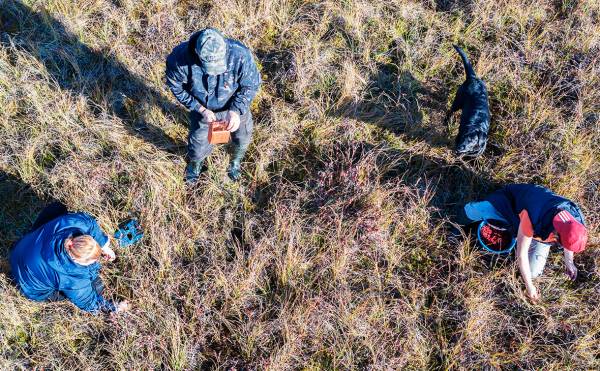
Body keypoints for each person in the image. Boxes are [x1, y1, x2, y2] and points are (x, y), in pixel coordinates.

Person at [165, 28, 261, 183]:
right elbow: (176, 87)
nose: (215, 73)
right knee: (197, 145)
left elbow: (251, 85)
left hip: (235, 106)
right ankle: (196, 165)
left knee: (242, 137)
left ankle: (235, 162)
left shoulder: (240, 55)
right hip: (203, 111)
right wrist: (200, 109)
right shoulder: (179, 60)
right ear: (197, 53)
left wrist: (236, 110)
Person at [461, 184, 588, 301]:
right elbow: (521, 255)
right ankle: (459, 217)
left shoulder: (577, 220)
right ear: (556, 233)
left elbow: (570, 236)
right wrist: (530, 287)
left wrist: (569, 261)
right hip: (510, 203)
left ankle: (518, 234)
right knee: (474, 211)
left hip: (539, 229)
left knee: (533, 272)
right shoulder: (533, 216)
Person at [9, 202, 129, 313]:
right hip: (29, 287)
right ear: (77, 260)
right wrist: (114, 307)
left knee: (57, 208)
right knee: (97, 285)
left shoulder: (74, 225)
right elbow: (90, 303)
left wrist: (103, 245)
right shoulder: (71, 278)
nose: (97, 261)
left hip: (20, 251)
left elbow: (89, 222)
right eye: (92, 261)